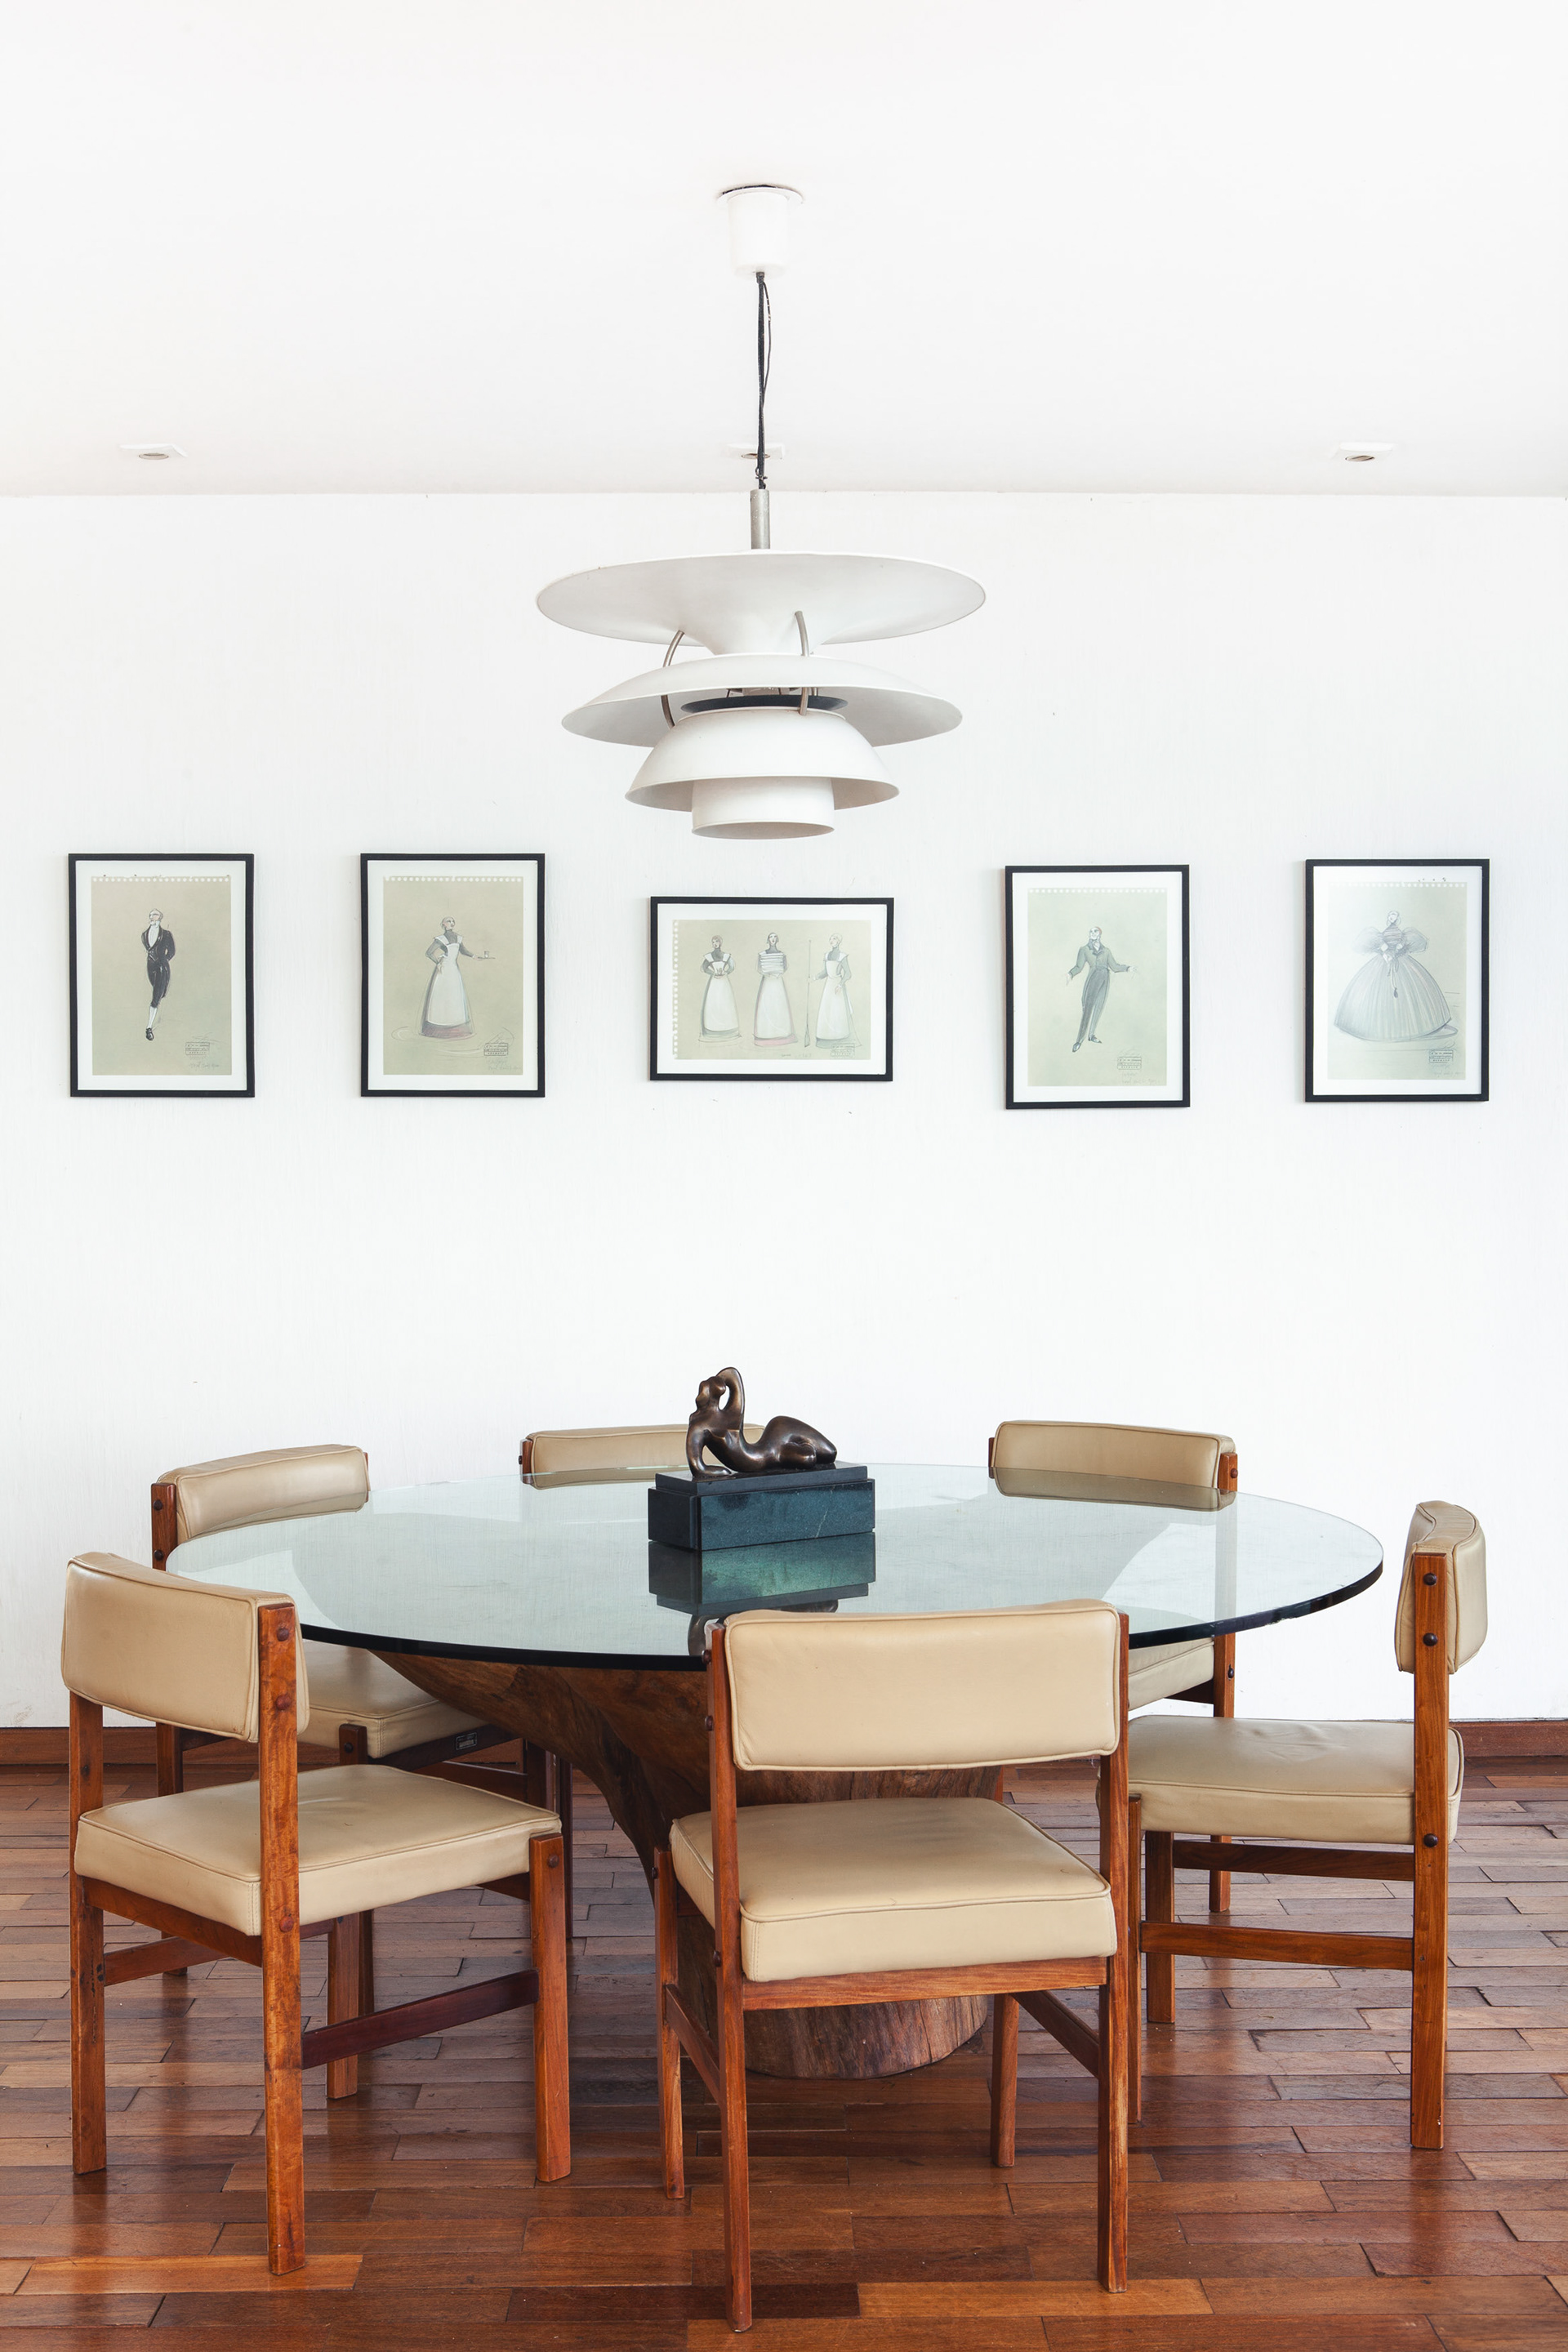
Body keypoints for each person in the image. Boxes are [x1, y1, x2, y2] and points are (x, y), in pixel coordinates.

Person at [1334, 913, 1454, 1042]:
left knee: (1410, 990)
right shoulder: (1381, 935)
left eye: (1395, 916)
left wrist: (1398, 950)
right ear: (1388, 918)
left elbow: (1406, 944)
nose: (1393, 918)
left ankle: (1411, 1026)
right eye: (1391, 916)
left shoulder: (1402, 935)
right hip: (1384, 960)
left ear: (1398, 919)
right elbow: (1378, 945)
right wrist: (1384, 953)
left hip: (1400, 959)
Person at [421, 915, 492, 1040]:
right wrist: (438, 963)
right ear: (443, 925)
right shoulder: (441, 939)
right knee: (443, 995)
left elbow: (463, 951)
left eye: (453, 921)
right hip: (444, 970)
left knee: (455, 995)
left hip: (454, 970)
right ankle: (438, 1027)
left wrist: (475, 957)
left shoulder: (458, 938)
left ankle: (456, 1026)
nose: (452, 923)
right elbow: (429, 953)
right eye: (449, 921)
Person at [1066, 925, 1129, 1052]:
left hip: (1105, 979)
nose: (1092, 933)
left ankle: (1091, 1035)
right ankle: (1079, 1040)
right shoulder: (1084, 949)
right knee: (1087, 1009)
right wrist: (1070, 974)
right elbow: (1078, 967)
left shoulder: (1106, 951)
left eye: (1095, 931)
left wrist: (1128, 968)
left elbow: (1115, 967)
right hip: (1093, 978)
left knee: (1099, 1007)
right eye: (1091, 931)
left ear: (1100, 934)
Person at [754, 933, 794, 1043]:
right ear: (768, 940)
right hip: (767, 982)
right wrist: (767, 975)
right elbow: (759, 968)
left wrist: (777, 974)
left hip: (778, 982)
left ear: (777, 939)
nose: (773, 939)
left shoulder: (782, 954)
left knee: (779, 1005)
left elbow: (785, 967)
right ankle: (765, 1033)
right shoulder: (762, 954)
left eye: (775, 937)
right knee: (767, 1005)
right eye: (771, 937)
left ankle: (781, 1033)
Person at [813, 934, 853, 1044]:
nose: (831, 940)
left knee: (837, 1009)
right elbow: (825, 972)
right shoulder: (827, 955)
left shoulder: (842, 956)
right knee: (827, 1008)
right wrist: (814, 978)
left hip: (837, 986)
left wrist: (840, 985)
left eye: (834, 938)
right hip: (828, 986)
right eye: (830, 939)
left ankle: (839, 1034)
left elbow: (848, 973)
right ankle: (825, 1034)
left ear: (839, 941)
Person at [143, 910, 175, 1040]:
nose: (152, 918)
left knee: (156, 997)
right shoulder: (144, 935)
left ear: (160, 918)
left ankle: (149, 1027)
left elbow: (172, 951)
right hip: (150, 968)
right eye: (151, 916)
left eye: (155, 916)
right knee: (156, 992)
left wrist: (163, 961)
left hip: (162, 968)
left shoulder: (166, 934)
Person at [700, 935, 739, 1037]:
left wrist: (725, 972)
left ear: (720, 943)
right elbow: (704, 968)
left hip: (724, 983)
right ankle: (712, 1029)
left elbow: (732, 966)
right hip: (714, 983)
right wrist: (713, 973)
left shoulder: (725, 956)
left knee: (725, 1002)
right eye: (713, 942)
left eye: (717, 941)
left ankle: (728, 1028)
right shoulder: (709, 956)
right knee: (714, 1003)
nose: (715, 944)